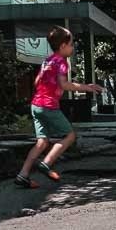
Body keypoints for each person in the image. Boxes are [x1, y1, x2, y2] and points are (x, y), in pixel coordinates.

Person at [16, 26, 102, 186]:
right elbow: (65, 84)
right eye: (71, 44)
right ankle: (46, 163)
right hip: (49, 105)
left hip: (36, 105)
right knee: (69, 136)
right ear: (63, 46)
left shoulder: (47, 60)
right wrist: (86, 87)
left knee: (41, 142)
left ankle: (23, 174)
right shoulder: (61, 62)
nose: (73, 47)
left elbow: (37, 82)